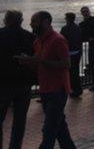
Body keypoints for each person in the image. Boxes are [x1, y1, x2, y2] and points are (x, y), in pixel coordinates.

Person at [18, 11, 76, 149]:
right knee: (60, 128)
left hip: (58, 90)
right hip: (45, 89)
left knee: (49, 130)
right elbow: (40, 65)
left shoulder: (58, 40)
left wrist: (41, 61)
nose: (31, 24)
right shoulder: (38, 41)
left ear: (45, 22)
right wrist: (29, 62)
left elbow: (66, 64)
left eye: (34, 21)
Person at [0, 10, 36, 149]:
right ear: (21, 21)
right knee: (20, 121)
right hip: (24, 84)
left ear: (5, 20)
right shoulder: (31, 37)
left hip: (3, 83)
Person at [60, 13, 83, 98]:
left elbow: (61, 40)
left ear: (68, 19)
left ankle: (73, 90)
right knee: (75, 72)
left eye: (65, 18)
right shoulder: (78, 28)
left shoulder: (65, 28)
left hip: (69, 53)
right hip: (77, 52)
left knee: (70, 73)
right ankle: (77, 90)